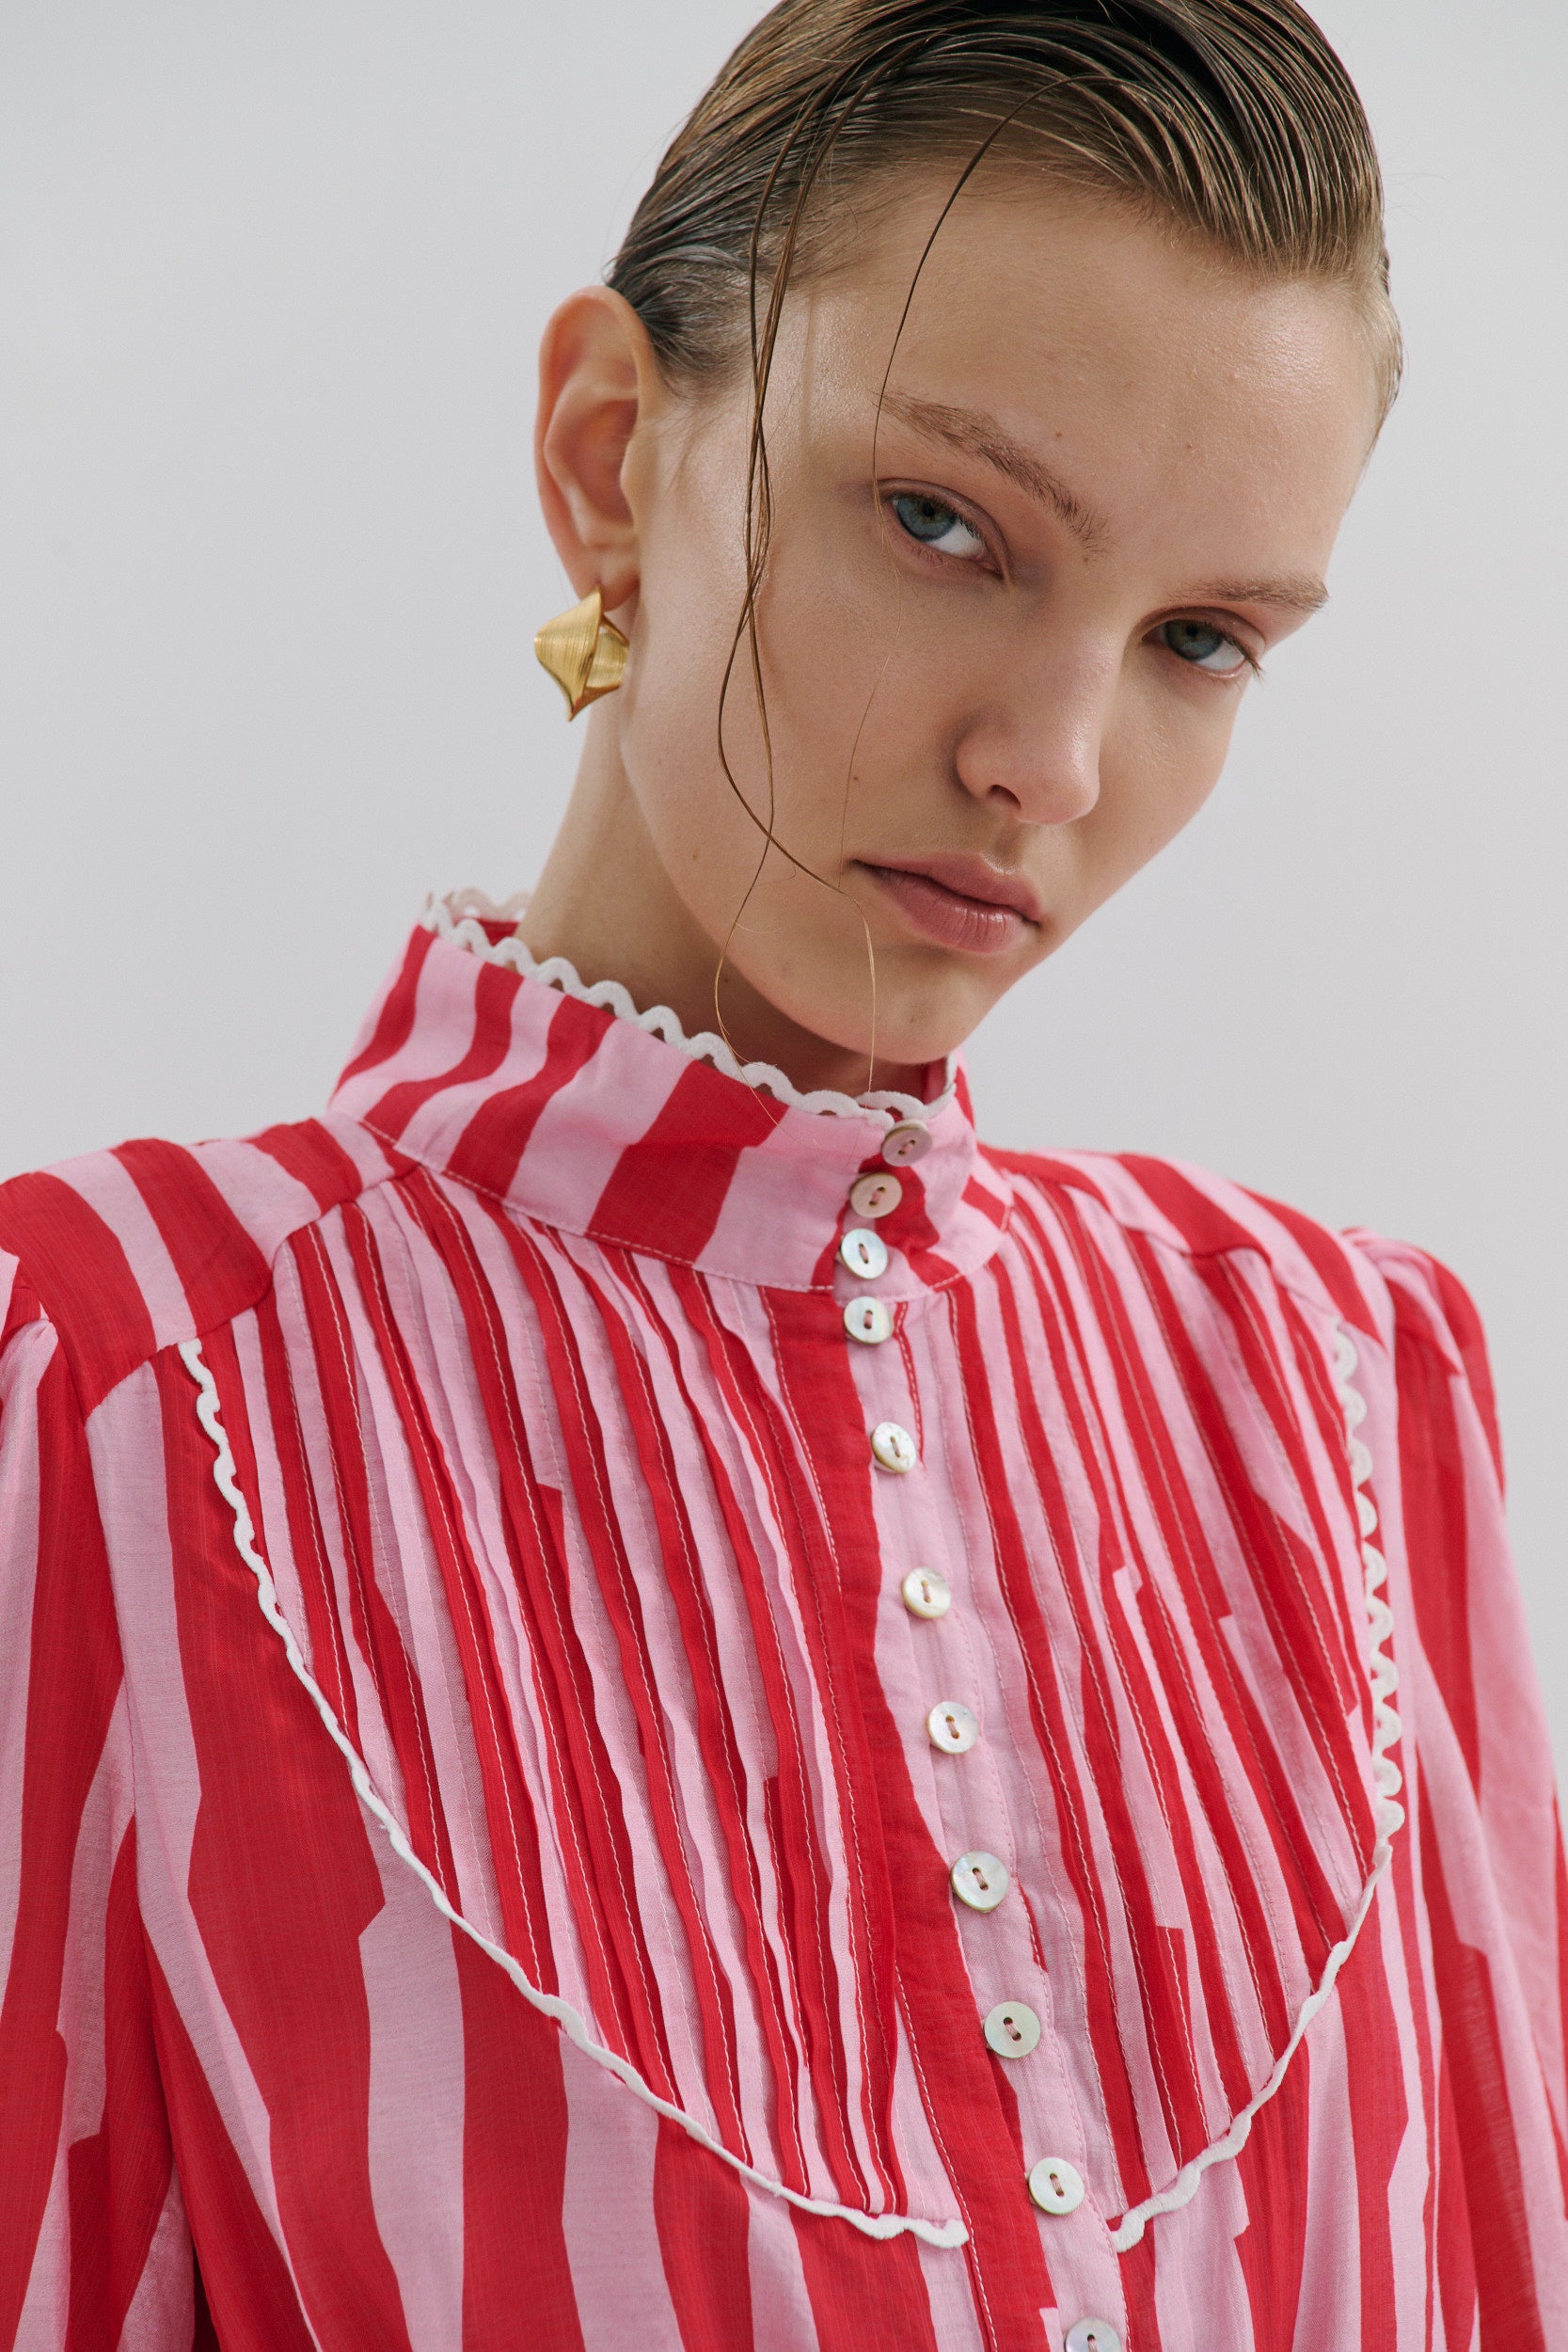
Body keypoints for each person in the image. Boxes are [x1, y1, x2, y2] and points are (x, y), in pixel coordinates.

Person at [1, 1, 1561, 2344]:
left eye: (1200, 639)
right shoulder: (116, 1370)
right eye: (943, 523)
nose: (1047, 757)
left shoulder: (1353, 1389)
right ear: (612, 453)